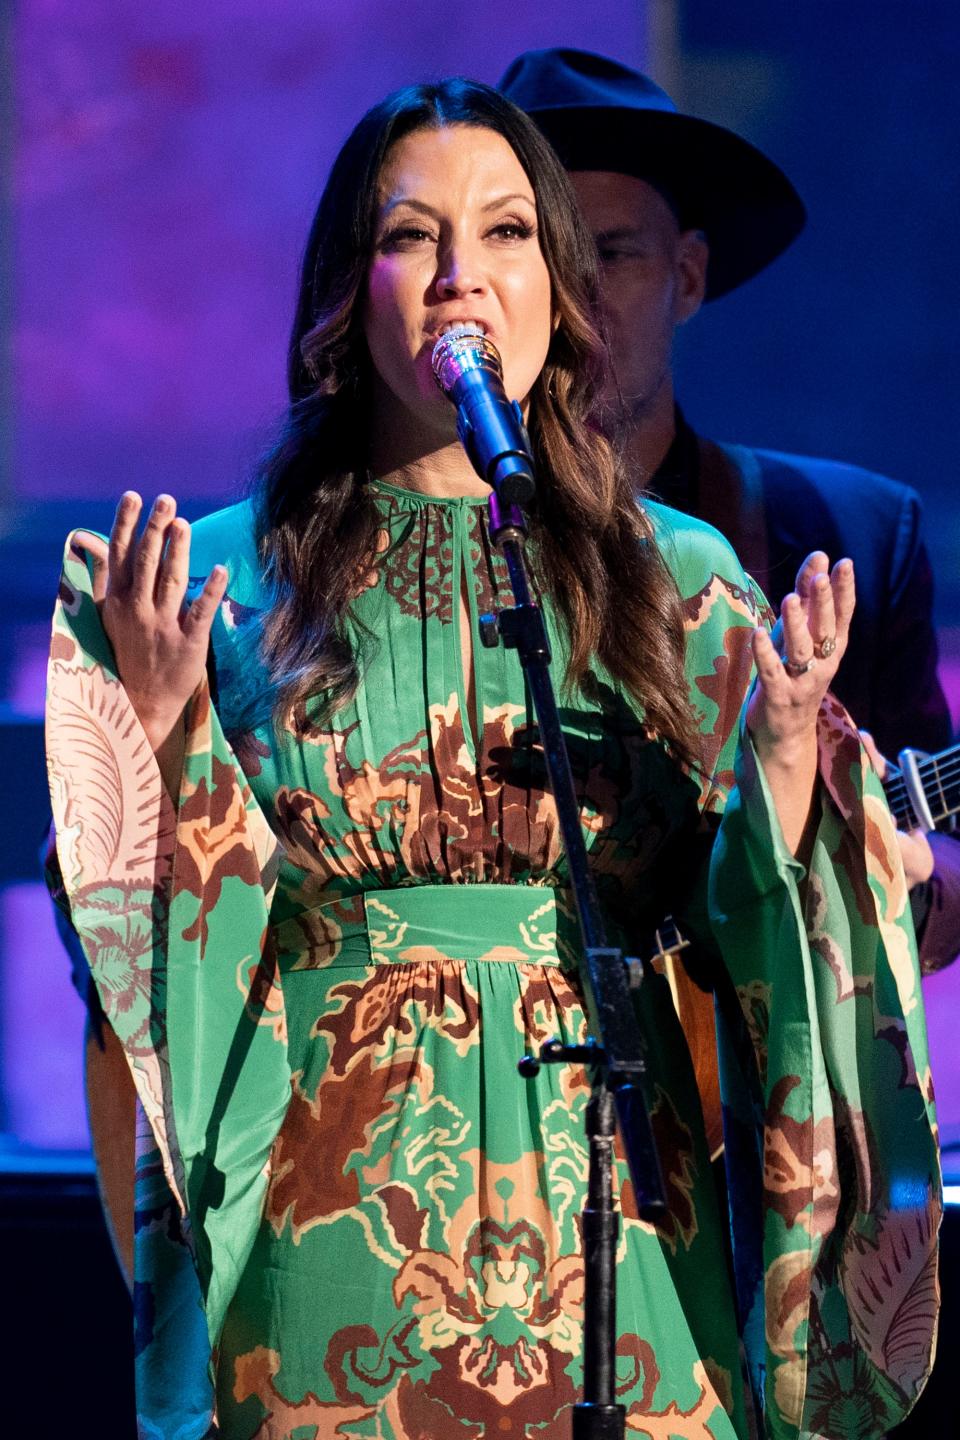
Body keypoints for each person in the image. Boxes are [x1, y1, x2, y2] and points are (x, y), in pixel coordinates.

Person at [44, 78, 937, 1440]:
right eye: (414, 237)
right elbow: (132, 982)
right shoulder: (212, 587)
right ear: (349, 294)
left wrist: (790, 774)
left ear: (559, 286)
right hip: (326, 1257)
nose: (464, 277)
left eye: (510, 232)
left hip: (622, 1253)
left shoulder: (683, 586)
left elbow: (765, 949)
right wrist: (160, 734)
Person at [499, 47, 960, 975]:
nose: (575, 305)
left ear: (691, 276)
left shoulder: (852, 535)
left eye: (614, 254)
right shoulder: (414, 541)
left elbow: (946, 859)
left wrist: (895, 874)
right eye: (543, 256)